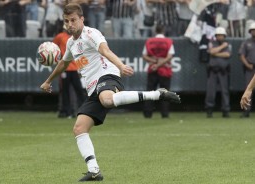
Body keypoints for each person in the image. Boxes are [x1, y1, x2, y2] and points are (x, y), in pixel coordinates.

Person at [40, 3, 181, 182]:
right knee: (79, 128)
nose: (70, 24)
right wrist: (48, 81)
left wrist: (121, 65)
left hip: (107, 75)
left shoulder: (91, 34)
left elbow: (105, 51)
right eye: (67, 21)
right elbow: (63, 64)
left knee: (107, 99)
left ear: (82, 19)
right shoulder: (70, 43)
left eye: (73, 20)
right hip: (93, 88)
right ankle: (94, 170)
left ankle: (156, 94)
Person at [142, 24, 175, 118]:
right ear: (163, 31)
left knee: (150, 92)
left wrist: (155, 62)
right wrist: (160, 64)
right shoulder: (168, 41)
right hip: (165, 69)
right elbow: (170, 56)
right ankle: (165, 113)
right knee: (165, 93)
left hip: (152, 68)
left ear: (155, 31)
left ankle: (148, 114)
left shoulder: (149, 41)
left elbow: (144, 55)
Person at [53, 25, 85, 118]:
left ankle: (83, 110)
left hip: (75, 68)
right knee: (65, 91)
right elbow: (53, 49)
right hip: (64, 68)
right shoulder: (60, 36)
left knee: (78, 90)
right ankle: (66, 111)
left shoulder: (77, 37)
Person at [205, 27, 231, 118]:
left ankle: (225, 110)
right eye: (218, 35)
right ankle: (209, 109)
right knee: (211, 91)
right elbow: (211, 51)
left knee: (225, 91)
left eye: (221, 35)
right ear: (216, 36)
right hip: (213, 70)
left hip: (223, 70)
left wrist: (215, 52)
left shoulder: (228, 44)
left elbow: (227, 54)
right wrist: (222, 47)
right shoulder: (212, 43)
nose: (220, 37)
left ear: (224, 36)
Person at [238, 22, 255, 117]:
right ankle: (246, 111)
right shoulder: (246, 42)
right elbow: (241, 55)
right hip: (251, 67)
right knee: (249, 88)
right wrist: (247, 64)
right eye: (253, 30)